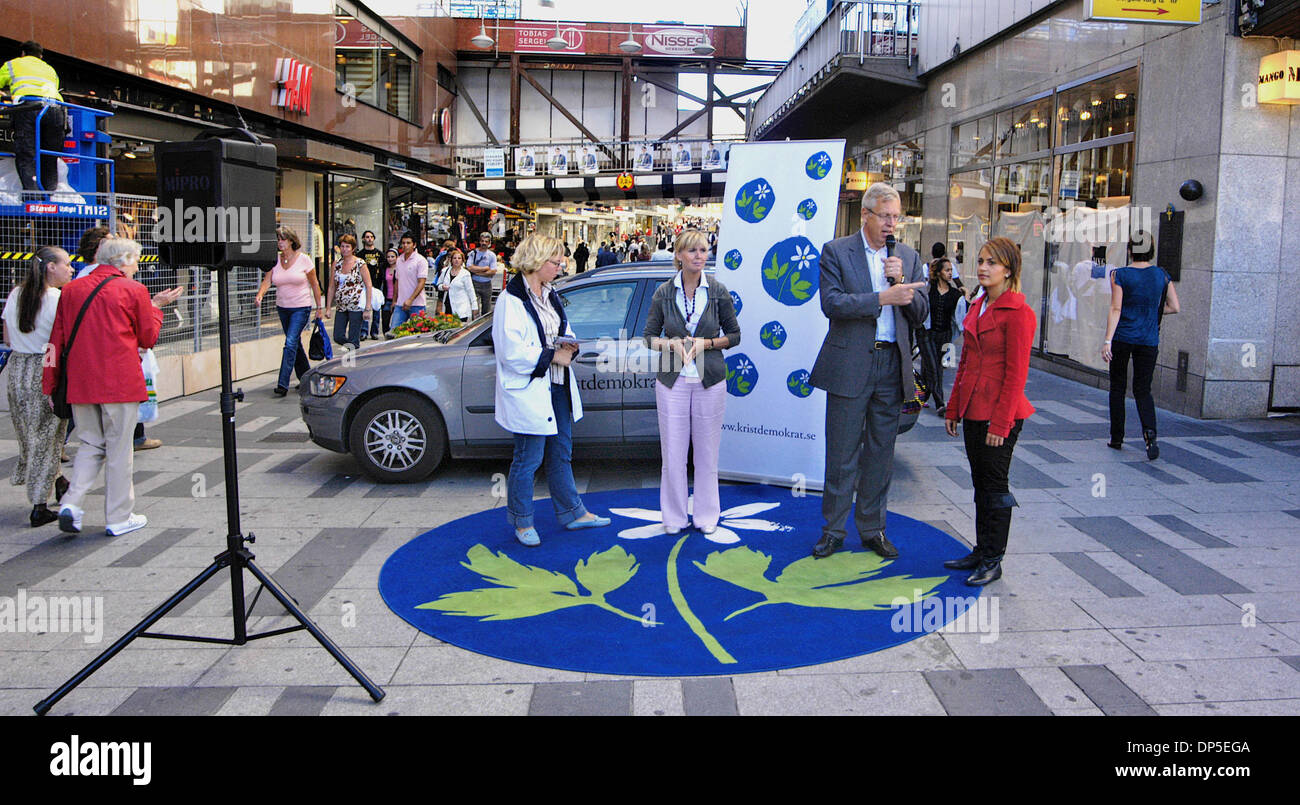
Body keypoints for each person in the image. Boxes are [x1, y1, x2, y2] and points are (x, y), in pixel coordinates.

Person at [809, 182, 928, 559]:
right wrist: (882, 298)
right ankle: (833, 529)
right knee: (842, 452)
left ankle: (873, 528)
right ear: (866, 214)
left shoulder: (906, 257)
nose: (892, 224)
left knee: (881, 451)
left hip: (891, 365)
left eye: (897, 217)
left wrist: (902, 285)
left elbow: (922, 312)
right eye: (885, 216)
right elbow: (832, 303)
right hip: (850, 363)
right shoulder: (836, 252)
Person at [43, 238, 182, 536]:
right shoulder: (133, 290)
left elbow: (56, 341)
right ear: (122, 260)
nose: (136, 267)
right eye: (134, 261)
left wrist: (50, 384)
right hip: (119, 383)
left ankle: (72, 503)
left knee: (91, 444)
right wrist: (155, 308)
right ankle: (119, 516)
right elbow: (148, 338)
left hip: (81, 383)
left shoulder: (71, 291)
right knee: (120, 450)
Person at [493, 234, 610, 546]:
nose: (561, 266)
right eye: (555, 261)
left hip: (557, 386)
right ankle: (522, 522)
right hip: (532, 390)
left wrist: (569, 345)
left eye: (561, 261)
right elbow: (510, 352)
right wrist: (552, 355)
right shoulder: (511, 300)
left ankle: (573, 513)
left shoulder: (550, 293)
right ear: (535, 261)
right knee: (528, 458)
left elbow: (562, 328)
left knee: (561, 453)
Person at [943, 237, 1037, 586]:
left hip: (1001, 414)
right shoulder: (976, 305)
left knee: (995, 486)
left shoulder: (1019, 313)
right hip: (973, 409)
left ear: (1008, 270)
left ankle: (994, 559)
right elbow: (965, 359)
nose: (982, 267)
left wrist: (1001, 421)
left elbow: (1017, 374)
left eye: (991, 263)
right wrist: (953, 407)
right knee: (979, 482)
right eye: (981, 261)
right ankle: (981, 550)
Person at [643, 230, 741, 535]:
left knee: (706, 453)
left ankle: (706, 515)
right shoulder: (663, 293)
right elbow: (648, 337)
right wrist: (671, 345)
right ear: (679, 256)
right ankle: (673, 517)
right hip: (672, 380)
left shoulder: (717, 290)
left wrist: (706, 344)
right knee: (672, 453)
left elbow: (734, 336)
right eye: (692, 250)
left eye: (703, 249)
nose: (700, 255)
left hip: (709, 379)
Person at [4, 246, 72, 525]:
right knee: (48, 437)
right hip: (45, 368)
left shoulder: (16, 294)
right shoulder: (57, 299)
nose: (71, 268)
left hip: (17, 369)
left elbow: (8, 338)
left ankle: (58, 482)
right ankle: (39, 505)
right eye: (66, 263)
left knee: (29, 435)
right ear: (50, 268)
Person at [1103, 230, 1179, 459]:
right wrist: (1149, 313)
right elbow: (1174, 307)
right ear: (1151, 251)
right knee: (1142, 389)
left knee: (1117, 387)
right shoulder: (1162, 275)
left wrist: (1107, 340)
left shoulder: (1120, 274)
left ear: (1129, 251)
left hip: (1123, 337)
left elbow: (1116, 309)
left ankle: (1117, 437)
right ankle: (1150, 435)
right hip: (1148, 340)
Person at [255, 226, 323, 397]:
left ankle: (282, 384)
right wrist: (260, 294)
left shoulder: (304, 260)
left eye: (283, 239)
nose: (280, 242)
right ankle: (307, 378)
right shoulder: (275, 260)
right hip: (283, 307)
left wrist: (320, 307)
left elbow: (315, 284)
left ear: (291, 241)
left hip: (301, 307)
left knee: (290, 342)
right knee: (295, 345)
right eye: (278, 239)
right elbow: (267, 280)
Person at [0, 41, 66, 192]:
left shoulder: (13, 64)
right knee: (49, 156)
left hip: (30, 107)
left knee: (26, 152)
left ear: (23, 53)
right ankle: (49, 194)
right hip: (55, 109)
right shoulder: (50, 69)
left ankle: (32, 196)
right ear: (41, 56)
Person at [921, 257, 964, 414]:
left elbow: (958, 318)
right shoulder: (927, 291)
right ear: (938, 273)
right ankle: (940, 403)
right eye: (947, 270)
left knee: (935, 368)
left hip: (945, 335)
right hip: (927, 334)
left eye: (951, 270)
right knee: (934, 367)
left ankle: (921, 397)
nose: (950, 273)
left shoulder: (955, 295)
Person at [326, 234, 373, 350]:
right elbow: (332, 286)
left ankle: (353, 357)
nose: (344, 249)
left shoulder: (360, 263)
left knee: (353, 336)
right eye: (342, 246)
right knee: (338, 336)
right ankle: (353, 349)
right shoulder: (336, 264)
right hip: (341, 305)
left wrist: (367, 307)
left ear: (352, 248)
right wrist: (327, 307)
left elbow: (368, 285)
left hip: (356, 305)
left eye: (347, 246)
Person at [389, 232, 428, 330]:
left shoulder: (420, 260)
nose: (405, 245)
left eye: (408, 243)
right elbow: (397, 281)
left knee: (417, 335)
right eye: (403, 243)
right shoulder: (399, 260)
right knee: (394, 332)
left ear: (414, 245)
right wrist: (394, 300)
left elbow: (421, 282)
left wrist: (410, 299)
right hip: (400, 304)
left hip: (417, 304)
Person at [437, 248, 479, 321]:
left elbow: (470, 291)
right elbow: (438, 285)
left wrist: (474, 306)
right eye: (454, 258)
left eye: (459, 258)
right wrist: (442, 287)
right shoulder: (445, 271)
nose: (457, 260)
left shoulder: (465, 274)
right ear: (451, 260)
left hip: (461, 307)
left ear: (462, 260)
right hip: (448, 305)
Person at [357, 230, 383, 340]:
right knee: (364, 307)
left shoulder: (379, 254)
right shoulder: (360, 255)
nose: (369, 239)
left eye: (371, 237)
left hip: (377, 284)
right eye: (367, 237)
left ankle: (374, 332)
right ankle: (363, 331)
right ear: (363, 239)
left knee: (376, 309)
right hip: (363, 286)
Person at [466, 231, 498, 315]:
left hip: (487, 285)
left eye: (486, 241)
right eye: (482, 241)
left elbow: (493, 271)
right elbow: (469, 267)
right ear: (479, 241)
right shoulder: (473, 253)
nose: (484, 243)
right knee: (474, 307)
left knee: (486, 310)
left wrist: (477, 272)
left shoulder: (492, 255)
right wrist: (485, 268)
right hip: (474, 283)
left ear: (489, 243)